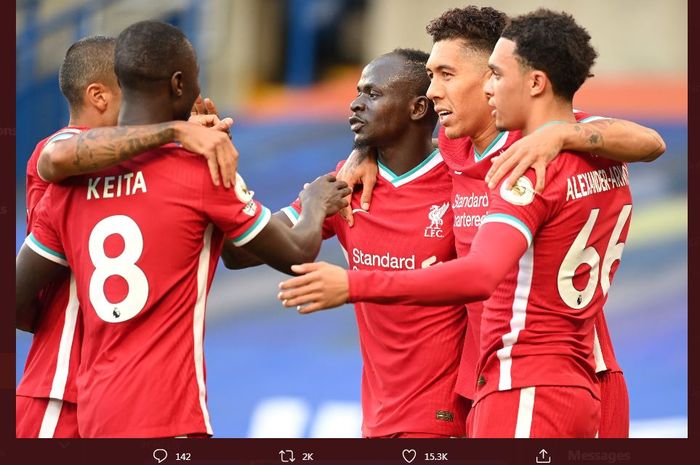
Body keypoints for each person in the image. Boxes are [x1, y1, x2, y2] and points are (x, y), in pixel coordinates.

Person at [278, 6, 665, 438]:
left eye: (446, 74)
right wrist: (363, 151)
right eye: (430, 76)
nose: (433, 90)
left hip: (540, 375)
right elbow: (650, 143)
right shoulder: (459, 144)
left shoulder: (529, 154)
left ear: (492, 80)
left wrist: (562, 134)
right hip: (534, 377)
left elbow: (649, 141)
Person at [16, 20, 349, 438]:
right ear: (177, 84)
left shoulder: (73, 187)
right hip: (72, 389)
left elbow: (237, 248)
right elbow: (56, 158)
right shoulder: (67, 158)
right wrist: (314, 202)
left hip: (95, 400)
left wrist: (210, 158)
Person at [230, 49, 469, 438]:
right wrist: (223, 176)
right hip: (376, 417)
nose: (355, 104)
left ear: (418, 108)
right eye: (357, 92)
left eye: (373, 94)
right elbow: (241, 250)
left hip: (444, 416)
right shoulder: (345, 184)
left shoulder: (465, 178)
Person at [16, 36, 239, 438]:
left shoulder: (131, 168)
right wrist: (173, 131)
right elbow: (58, 158)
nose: (143, 106)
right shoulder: (59, 150)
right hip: (59, 387)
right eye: (132, 92)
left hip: (113, 395)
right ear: (98, 96)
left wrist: (210, 157)